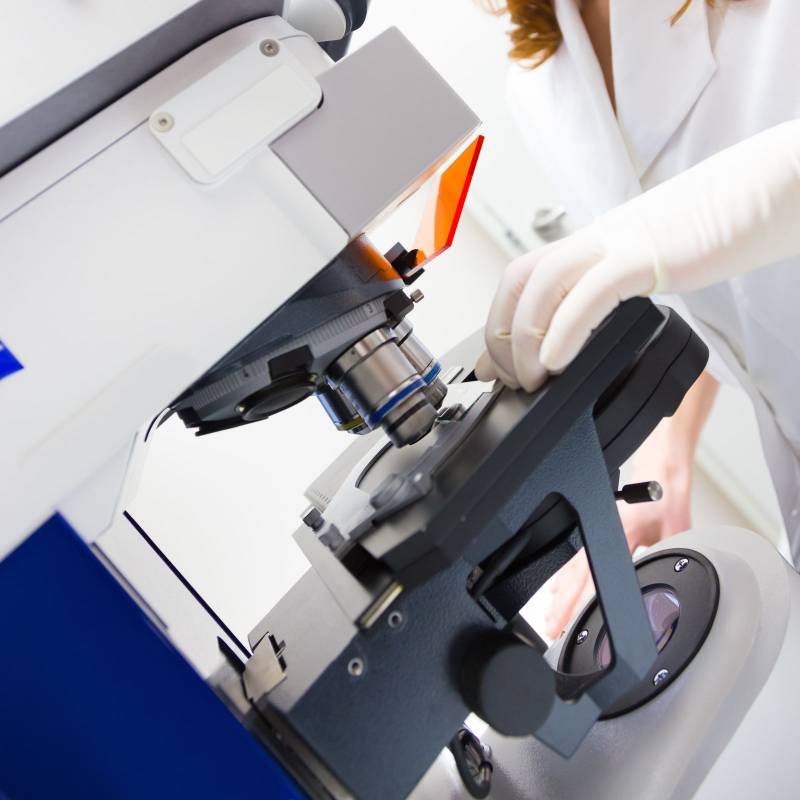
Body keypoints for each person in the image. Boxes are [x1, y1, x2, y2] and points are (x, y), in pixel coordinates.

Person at [475, 0, 800, 637]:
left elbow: (690, 230)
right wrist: (665, 453)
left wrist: (656, 233)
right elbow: (710, 289)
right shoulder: (543, 84)